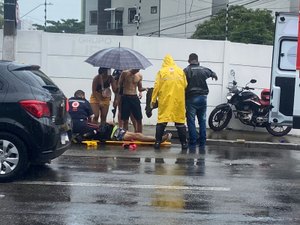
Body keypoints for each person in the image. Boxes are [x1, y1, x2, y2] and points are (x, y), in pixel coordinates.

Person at [151, 54, 188, 150]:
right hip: (178, 101)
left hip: (165, 101)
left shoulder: (161, 72)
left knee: (162, 121)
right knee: (180, 122)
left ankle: (157, 142)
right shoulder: (180, 71)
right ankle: (184, 144)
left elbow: (156, 87)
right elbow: (185, 85)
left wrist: (153, 100)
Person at [183, 53, 218, 150]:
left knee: (191, 121)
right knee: (202, 121)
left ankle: (193, 143)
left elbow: (181, 83)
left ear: (189, 61)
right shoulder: (204, 69)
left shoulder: (186, 70)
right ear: (198, 61)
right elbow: (213, 74)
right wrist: (213, 76)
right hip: (203, 98)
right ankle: (202, 142)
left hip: (191, 98)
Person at [118, 69, 147, 133]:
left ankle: (139, 134)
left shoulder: (139, 75)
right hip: (126, 96)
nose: (137, 70)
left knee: (139, 118)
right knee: (125, 119)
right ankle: (125, 134)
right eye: (136, 69)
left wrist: (146, 89)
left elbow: (140, 88)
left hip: (134, 97)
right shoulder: (124, 73)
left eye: (138, 69)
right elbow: (119, 85)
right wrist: (119, 99)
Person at [98, 122, 172, 143]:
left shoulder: (101, 126)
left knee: (138, 134)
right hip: (117, 135)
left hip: (119, 130)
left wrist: (111, 124)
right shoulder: (98, 130)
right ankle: (159, 139)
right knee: (137, 136)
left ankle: (158, 139)